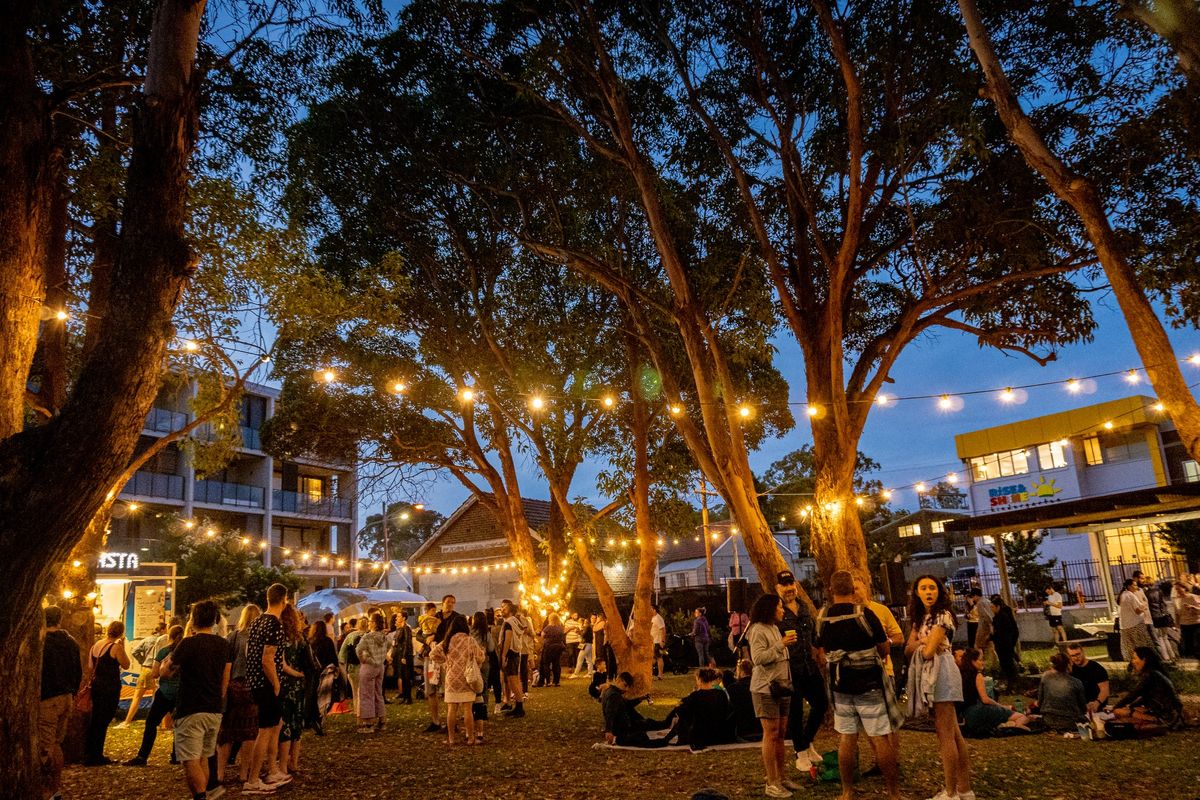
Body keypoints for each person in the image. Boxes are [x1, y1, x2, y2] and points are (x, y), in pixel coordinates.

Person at [818, 570, 899, 800]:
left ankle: (847, 791)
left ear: (830, 590)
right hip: (869, 683)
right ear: (853, 589)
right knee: (880, 736)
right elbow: (884, 648)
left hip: (839, 685)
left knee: (846, 737)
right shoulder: (865, 613)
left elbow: (819, 650)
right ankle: (893, 793)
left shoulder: (822, 617)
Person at [906, 575, 972, 800]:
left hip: (942, 671)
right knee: (953, 732)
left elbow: (927, 651)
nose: (928, 592)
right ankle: (964, 789)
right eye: (923, 588)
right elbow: (908, 648)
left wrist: (923, 643)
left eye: (932, 588)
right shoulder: (921, 618)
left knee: (946, 735)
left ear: (939, 591)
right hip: (931, 673)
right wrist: (923, 642)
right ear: (916, 592)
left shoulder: (943, 616)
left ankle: (951, 791)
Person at [160, 600, 232, 800]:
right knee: (203, 757)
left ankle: (201, 796)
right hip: (214, 708)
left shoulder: (188, 643)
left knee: (190, 759)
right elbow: (225, 679)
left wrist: (165, 664)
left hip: (191, 707)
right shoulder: (224, 644)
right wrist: (219, 700)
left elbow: (166, 671)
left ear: (193, 619)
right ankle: (205, 793)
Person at [851, 574, 905, 776]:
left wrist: (886, 644)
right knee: (868, 721)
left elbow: (899, 636)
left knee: (889, 719)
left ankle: (894, 759)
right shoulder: (846, 614)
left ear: (866, 588)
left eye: (857, 587)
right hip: (859, 674)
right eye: (851, 589)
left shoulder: (881, 611)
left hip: (884, 671)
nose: (855, 592)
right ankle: (879, 760)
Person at [242, 583, 292, 795]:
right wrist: (276, 683)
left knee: (275, 725)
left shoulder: (257, 622)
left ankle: (272, 770)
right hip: (266, 684)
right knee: (265, 731)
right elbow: (268, 658)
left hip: (255, 681)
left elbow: (249, 652)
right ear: (284, 599)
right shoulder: (274, 624)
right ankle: (253, 780)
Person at [747, 593, 796, 799]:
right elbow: (758, 658)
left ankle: (782, 777)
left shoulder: (775, 628)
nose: (783, 610)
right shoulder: (757, 630)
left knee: (782, 732)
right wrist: (781, 645)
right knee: (771, 732)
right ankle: (771, 781)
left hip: (782, 686)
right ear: (769, 609)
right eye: (779, 607)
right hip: (765, 688)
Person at [776, 569, 824, 772]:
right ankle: (800, 752)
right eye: (784, 585)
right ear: (778, 588)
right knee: (795, 712)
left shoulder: (804, 607)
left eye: (791, 584)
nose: (789, 589)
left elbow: (814, 634)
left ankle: (807, 740)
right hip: (790, 669)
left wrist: (819, 650)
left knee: (822, 703)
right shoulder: (776, 612)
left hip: (809, 666)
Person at [124, 624, 183, 766]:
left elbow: (155, 673)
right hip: (181, 694)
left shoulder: (164, 652)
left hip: (164, 693)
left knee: (151, 723)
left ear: (170, 636)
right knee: (179, 725)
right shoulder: (186, 653)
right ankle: (176, 756)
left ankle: (142, 756)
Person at [39, 605, 81, 800]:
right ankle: (56, 789)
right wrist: (72, 692)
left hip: (48, 699)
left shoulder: (42, 643)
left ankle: (46, 791)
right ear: (60, 620)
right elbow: (78, 671)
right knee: (56, 744)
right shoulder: (71, 642)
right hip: (66, 698)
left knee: (44, 747)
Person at [217, 604, 260, 785]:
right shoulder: (260, 638)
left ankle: (220, 773)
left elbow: (226, 664)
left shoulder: (233, 637)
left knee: (227, 733)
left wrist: (223, 690)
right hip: (252, 688)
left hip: (234, 686)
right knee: (249, 733)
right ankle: (244, 773)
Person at [83, 620, 131, 766]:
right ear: (121, 632)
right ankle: (96, 755)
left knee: (96, 719)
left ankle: (91, 753)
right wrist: (122, 647)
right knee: (104, 720)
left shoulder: (95, 646)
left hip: (97, 685)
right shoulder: (115, 648)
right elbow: (126, 664)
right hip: (110, 687)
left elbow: (90, 667)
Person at [433, 614, 484, 744]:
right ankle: (471, 738)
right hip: (467, 677)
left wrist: (445, 662)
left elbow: (432, 653)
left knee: (451, 709)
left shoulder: (447, 641)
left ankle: (451, 739)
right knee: (467, 709)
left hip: (451, 678)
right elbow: (480, 657)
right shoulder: (469, 640)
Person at [957, 647, 1030, 737]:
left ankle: (1007, 724)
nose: (983, 662)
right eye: (980, 660)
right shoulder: (977, 675)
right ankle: (1017, 726)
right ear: (972, 661)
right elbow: (985, 699)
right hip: (977, 711)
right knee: (1022, 717)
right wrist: (1000, 706)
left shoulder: (960, 674)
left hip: (966, 715)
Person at [275, 604, 310, 778]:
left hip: (284, 684)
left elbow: (281, 665)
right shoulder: (300, 638)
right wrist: (301, 675)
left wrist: (294, 673)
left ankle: (282, 765)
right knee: (297, 724)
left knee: (285, 725)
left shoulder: (280, 638)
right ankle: (294, 762)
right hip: (299, 686)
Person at [1112, 645, 1184, 729]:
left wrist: (1116, 707)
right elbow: (1145, 697)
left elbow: (1133, 694)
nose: (1132, 661)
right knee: (1131, 709)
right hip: (1173, 714)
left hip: (1166, 717)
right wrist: (1131, 706)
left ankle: (1154, 720)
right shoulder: (1155, 673)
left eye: (1135, 658)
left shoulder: (1150, 675)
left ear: (1144, 660)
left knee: (1118, 711)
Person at [664, 667, 736, 749]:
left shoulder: (695, 696)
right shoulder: (721, 694)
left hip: (701, 736)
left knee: (682, 718)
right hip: (720, 734)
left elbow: (686, 714)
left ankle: (667, 739)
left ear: (700, 679)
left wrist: (678, 711)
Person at [600, 671, 671, 747]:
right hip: (622, 727)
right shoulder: (614, 695)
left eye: (628, 687)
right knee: (643, 731)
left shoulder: (613, 692)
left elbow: (626, 704)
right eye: (625, 685)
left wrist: (640, 699)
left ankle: (666, 723)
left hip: (625, 723)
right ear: (618, 680)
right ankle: (667, 724)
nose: (626, 689)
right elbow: (610, 713)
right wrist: (608, 731)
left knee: (647, 723)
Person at [118, 621, 167, 728]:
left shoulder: (147, 639)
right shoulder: (164, 641)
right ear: (162, 630)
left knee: (137, 696)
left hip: (146, 669)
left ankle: (127, 721)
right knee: (157, 697)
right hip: (158, 670)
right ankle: (159, 722)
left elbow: (135, 651)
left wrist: (142, 661)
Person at [1034, 652, 1087, 732]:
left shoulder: (1045, 677)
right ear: (1069, 664)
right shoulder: (1076, 682)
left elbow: (1040, 702)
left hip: (1048, 720)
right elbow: (1083, 708)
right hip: (1071, 722)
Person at [355, 612, 388, 733]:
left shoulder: (367, 637)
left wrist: (365, 658)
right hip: (380, 666)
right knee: (378, 693)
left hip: (369, 667)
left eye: (369, 621)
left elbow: (358, 650)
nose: (368, 623)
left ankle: (368, 724)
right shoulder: (384, 636)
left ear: (373, 623)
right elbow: (388, 647)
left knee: (366, 694)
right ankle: (382, 721)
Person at [498, 599, 529, 717]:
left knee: (513, 681)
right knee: (515, 680)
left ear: (510, 611)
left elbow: (508, 638)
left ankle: (519, 707)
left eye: (504, 609)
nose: (502, 610)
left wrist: (503, 654)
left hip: (510, 654)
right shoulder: (516, 621)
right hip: (516, 653)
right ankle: (519, 705)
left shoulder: (508, 623)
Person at [469, 611, 493, 741]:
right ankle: (483, 711)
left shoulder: (470, 633)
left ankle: (471, 709)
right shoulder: (486, 634)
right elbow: (491, 648)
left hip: (473, 662)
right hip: (484, 662)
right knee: (484, 685)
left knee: (473, 685)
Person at [1066, 643, 1110, 712]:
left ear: (1083, 652)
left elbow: (1105, 690)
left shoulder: (1096, 668)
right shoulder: (1071, 668)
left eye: (1078, 654)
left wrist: (1097, 703)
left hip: (1095, 705)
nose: (1076, 657)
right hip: (1079, 706)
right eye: (1072, 655)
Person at [1118, 578, 1154, 659]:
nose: (1136, 587)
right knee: (1142, 645)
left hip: (1125, 627)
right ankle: (1145, 660)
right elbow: (1137, 611)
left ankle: (1133, 661)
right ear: (1129, 586)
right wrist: (1144, 608)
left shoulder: (1122, 595)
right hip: (1135, 624)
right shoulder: (1131, 596)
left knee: (1130, 647)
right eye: (1134, 585)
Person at [989, 595, 1019, 692]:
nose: (991, 609)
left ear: (998, 606)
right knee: (1005, 664)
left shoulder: (1002, 616)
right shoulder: (998, 616)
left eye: (993, 607)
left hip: (1004, 644)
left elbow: (1003, 632)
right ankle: (1010, 683)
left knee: (1007, 664)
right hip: (1002, 644)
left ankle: (1012, 684)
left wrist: (993, 635)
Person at [726, 658, 760, 742]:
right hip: (761, 727)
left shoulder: (733, 688)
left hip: (743, 730)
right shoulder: (759, 685)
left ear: (740, 671)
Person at [1172, 581, 1200, 658]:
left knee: (1197, 644)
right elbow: (1176, 614)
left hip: (1196, 623)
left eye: (1179, 588)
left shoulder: (1193, 597)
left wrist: (1192, 607)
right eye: (1176, 589)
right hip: (1184, 624)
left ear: (1184, 588)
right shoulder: (1176, 600)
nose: (1177, 591)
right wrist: (1177, 626)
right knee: (1188, 645)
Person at [538, 613, 566, 687]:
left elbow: (542, 635)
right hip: (558, 647)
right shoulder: (560, 627)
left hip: (549, 647)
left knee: (546, 664)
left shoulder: (548, 627)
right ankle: (556, 681)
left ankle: (548, 681)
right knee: (556, 664)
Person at [651, 605, 668, 679]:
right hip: (652, 641)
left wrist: (662, 640)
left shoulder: (658, 618)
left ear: (654, 610)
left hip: (657, 641)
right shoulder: (652, 618)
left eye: (650, 609)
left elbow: (663, 630)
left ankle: (660, 674)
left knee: (659, 658)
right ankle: (650, 674)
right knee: (653, 659)